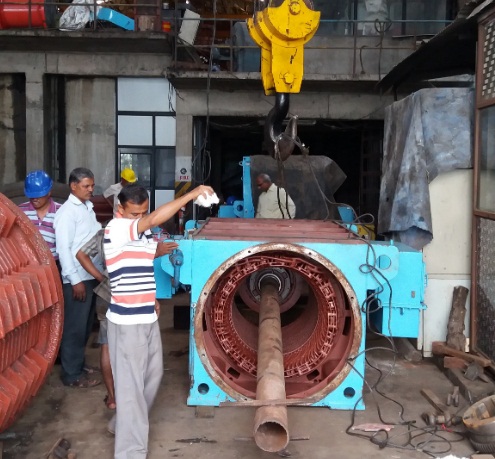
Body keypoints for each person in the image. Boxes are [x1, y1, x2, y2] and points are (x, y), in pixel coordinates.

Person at [104, 182, 213, 459]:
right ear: (120, 210)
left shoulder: (140, 232)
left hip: (147, 315)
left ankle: (122, 424)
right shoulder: (116, 228)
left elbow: (137, 259)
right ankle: (130, 452)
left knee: (153, 375)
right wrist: (192, 194)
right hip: (127, 323)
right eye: (134, 214)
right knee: (130, 387)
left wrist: (153, 286)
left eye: (143, 213)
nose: (140, 219)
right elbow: (151, 222)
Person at [76, 228, 178, 412]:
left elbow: (81, 254)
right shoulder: (136, 234)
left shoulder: (103, 233)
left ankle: (112, 398)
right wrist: (157, 252)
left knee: (107, 346)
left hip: (106, 294)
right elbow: (136, 266)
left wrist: (100, 277)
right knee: (135, 345)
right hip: (131, 296)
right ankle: (132, 397)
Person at [54, 167, 102, 388]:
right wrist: (75, 281)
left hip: (89, 274)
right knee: (74, 327)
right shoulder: (67, 213)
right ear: (73, 186)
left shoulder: (87, 207)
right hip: (78, 278)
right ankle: (71, 374)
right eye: (86, 186)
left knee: (84, 326)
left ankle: (78, 365)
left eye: (92, 185)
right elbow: (64, 250)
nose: (91, 189)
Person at [18, 170, 62, 264]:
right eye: (31, 195)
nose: (34, 199)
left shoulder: (61, 212)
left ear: (49, 192)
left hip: (55, 264)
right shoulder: (20, 211)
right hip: (28, 264)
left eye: (38, 195)